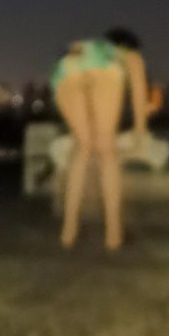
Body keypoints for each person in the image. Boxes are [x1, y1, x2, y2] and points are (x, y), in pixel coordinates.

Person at [50, 28, 148, 251]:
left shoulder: (91, 47)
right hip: (103, 69)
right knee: (106, 148)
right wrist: (140, 134)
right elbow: (139, 95)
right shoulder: (130, 55)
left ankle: (68, 231)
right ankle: (114, 233)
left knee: (82, 147)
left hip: (66, 67)